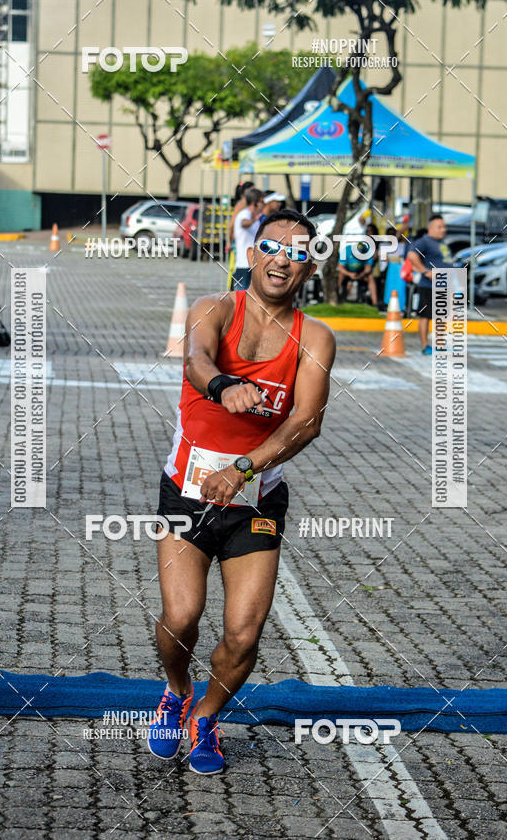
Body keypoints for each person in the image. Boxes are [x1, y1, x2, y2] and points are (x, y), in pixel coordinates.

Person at [148, 208, 336, 775]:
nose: (285, 259)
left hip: (255, 501)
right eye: (275, 247)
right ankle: (176, 689)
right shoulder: (214, 307)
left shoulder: (316, 338)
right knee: (181, 618)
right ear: (253, 254)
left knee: (243, 632)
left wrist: (246, 468)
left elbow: (307, 422)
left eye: (300, 252)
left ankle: (206, 716)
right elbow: (196, 358)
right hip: (187, 493)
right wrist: (225, 385)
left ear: (308, 269)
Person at [407, 214, 454, 354]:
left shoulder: (442, 243)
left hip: (443, 286)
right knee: (426, 316)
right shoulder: (425, 241)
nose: (443, 230)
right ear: (431, 228)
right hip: (428, 286)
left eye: (444, 227)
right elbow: (411, 255)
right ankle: (425, 346)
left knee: (441, 317)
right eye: (439, 227)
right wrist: (425, 271)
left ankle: (440, 344)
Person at [231, 187, 264, 290]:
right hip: (244, 263)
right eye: (262, 201)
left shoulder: (253, 217)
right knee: (241, 294)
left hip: (252, 263)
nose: (264, 204)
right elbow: (244, 223)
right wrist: (253, 220)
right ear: (255, 203)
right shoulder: (245, 214)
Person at [337, 238, 378, 306]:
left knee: (370, 277)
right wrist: (349, 274)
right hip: (348, 271)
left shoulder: (367, 252)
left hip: (361, 272)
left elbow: (368, 268)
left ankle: (375, 303)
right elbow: (340, 267)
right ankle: (337, 297)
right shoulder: (346, 250)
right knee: (340, 275)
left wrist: (361, 275)